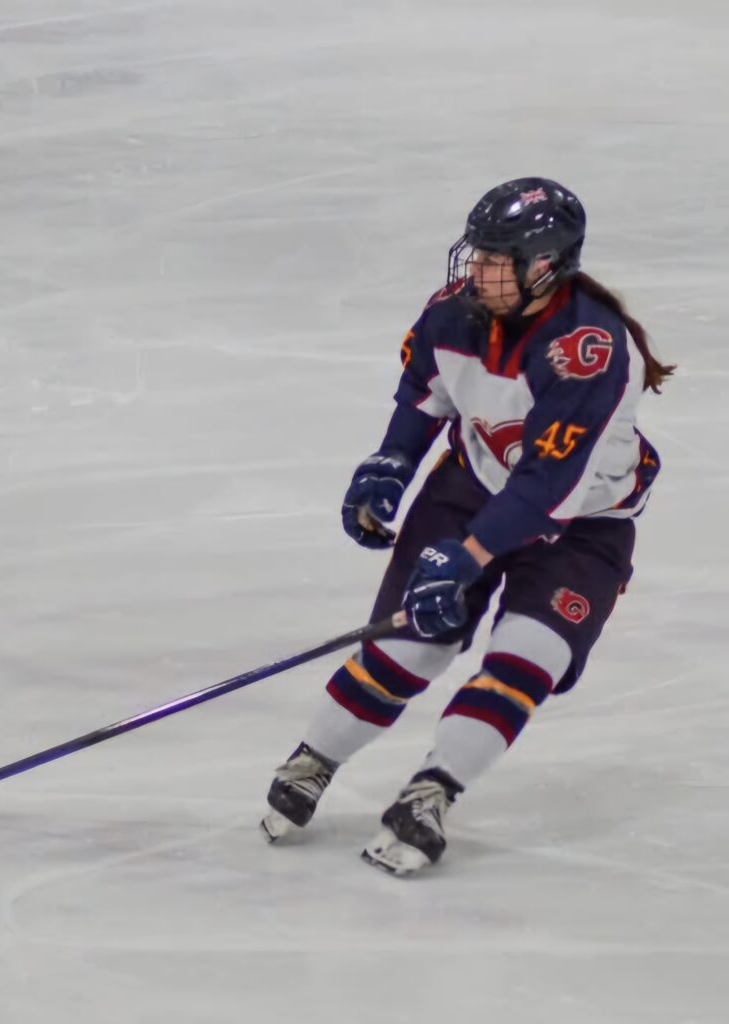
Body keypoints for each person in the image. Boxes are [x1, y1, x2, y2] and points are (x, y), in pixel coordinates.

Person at [259, 177, 675, 877]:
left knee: (528, 656)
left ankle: (432, 792)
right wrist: (392, 463)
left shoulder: (590, 350)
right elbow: (423, 396)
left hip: (584, 523)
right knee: (412, 644)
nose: (477, 269)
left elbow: (546, 488)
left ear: (545, 265)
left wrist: (469, 555)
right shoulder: (453, 313)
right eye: (476, 253)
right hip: (471, 488)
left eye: (496, 258)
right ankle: (314, 759)